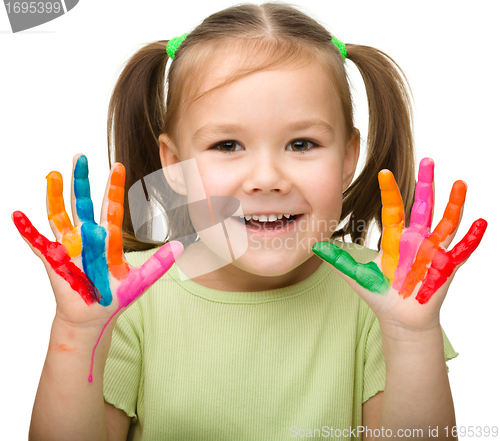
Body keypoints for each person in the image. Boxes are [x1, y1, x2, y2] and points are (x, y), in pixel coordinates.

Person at [14, 3, 487, 440]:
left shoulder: (385, 297)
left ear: (347, 158)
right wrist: (78, 332)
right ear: (174, 166)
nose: (266, 178)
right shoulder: (127, 298)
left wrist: (410, 336)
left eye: (302, 144)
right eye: (227, 145)